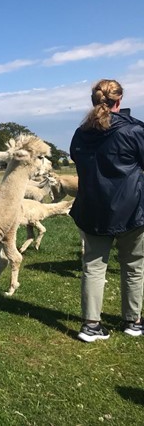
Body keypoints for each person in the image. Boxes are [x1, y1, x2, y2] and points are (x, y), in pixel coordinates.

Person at [70, 79, 144, 342]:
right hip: (131, 210)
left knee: (93, 265)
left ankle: (91, 324)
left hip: (92, 209)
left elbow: (77, 160)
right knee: (134, 265)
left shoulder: (81, 133)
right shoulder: (134, 131)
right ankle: (133, 321)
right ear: (119, 101)